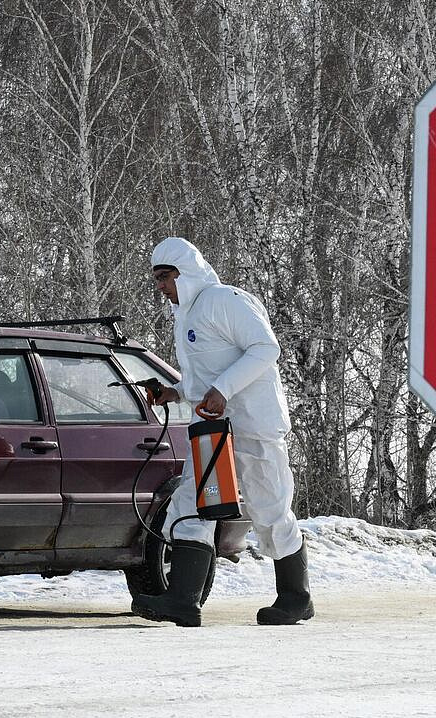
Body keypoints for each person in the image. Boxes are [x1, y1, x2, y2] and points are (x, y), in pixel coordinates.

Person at [131, 237, 313, 628]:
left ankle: (295, 598)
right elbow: (204, 379)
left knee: (268, 506)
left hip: (254, 426)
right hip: (214, 431)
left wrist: (223, 390)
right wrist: (173, 392)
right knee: (194, 502)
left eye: (166, 277)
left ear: (188, 272)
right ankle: (183, 599)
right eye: (157, 279)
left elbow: (266, 348)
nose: (160, 286)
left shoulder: (225, 300)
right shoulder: (187, 315)